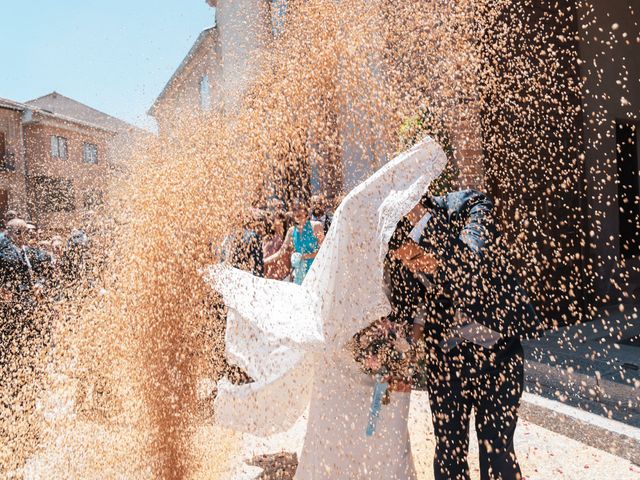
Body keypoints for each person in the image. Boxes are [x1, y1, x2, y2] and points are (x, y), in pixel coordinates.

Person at [205, 136, 447, 479]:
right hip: (356, 355)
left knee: (378, 432)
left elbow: (411, 292)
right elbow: (413, 270)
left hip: (376, 355)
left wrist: (404, 341)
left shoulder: (381, 234)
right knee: (363, 430)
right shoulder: (371, 234)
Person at [390, 189, 541, 480]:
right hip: (445, 360)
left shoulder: (470, 205)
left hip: (498, 354)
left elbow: (472, 262)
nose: (414, 265)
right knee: (448, 455)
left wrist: (423, 223)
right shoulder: (398, 237)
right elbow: (407, 305)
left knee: (498, 453)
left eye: (417, 258)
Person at [265, 201, 324, 285]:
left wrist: (305, 256)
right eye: (294, 209)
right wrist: (264, 261)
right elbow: (280, 253)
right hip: (299, 273)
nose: (296, 211)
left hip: (316, 270)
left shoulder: (316, 226)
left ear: (306, 211)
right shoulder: (291, 230)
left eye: (299, 209)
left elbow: (324, 249)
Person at [263, 211, 290, 280]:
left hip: (282, 276)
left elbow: (281, 254)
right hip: (268, 275)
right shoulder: (267, 238)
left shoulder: (287, 238)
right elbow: (265, 255)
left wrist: (264, 261)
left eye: (280, 219)